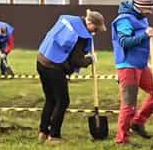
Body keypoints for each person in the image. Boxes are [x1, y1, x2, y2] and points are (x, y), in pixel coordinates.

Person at [35, 9, 103, 142]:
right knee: (63, 101)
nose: (95, 31)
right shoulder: (81, 36)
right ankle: (54, 136)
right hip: (54, 67)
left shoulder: (69, 20)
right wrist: (91, 59)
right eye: (95, 28)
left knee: (51, 99)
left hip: (41, 60)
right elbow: (77, 61)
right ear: (88, 22)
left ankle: (43, 132)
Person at [113, 0, 153, 146]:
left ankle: (138, 122)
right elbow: (124, 42)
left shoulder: (142, 18)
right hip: (128, 66)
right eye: (149, 8)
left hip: (141, 65)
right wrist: (145, 35)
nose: (151, 11)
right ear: (141, 6)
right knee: (129, 104)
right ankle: (122, 139)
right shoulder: (124, 20)